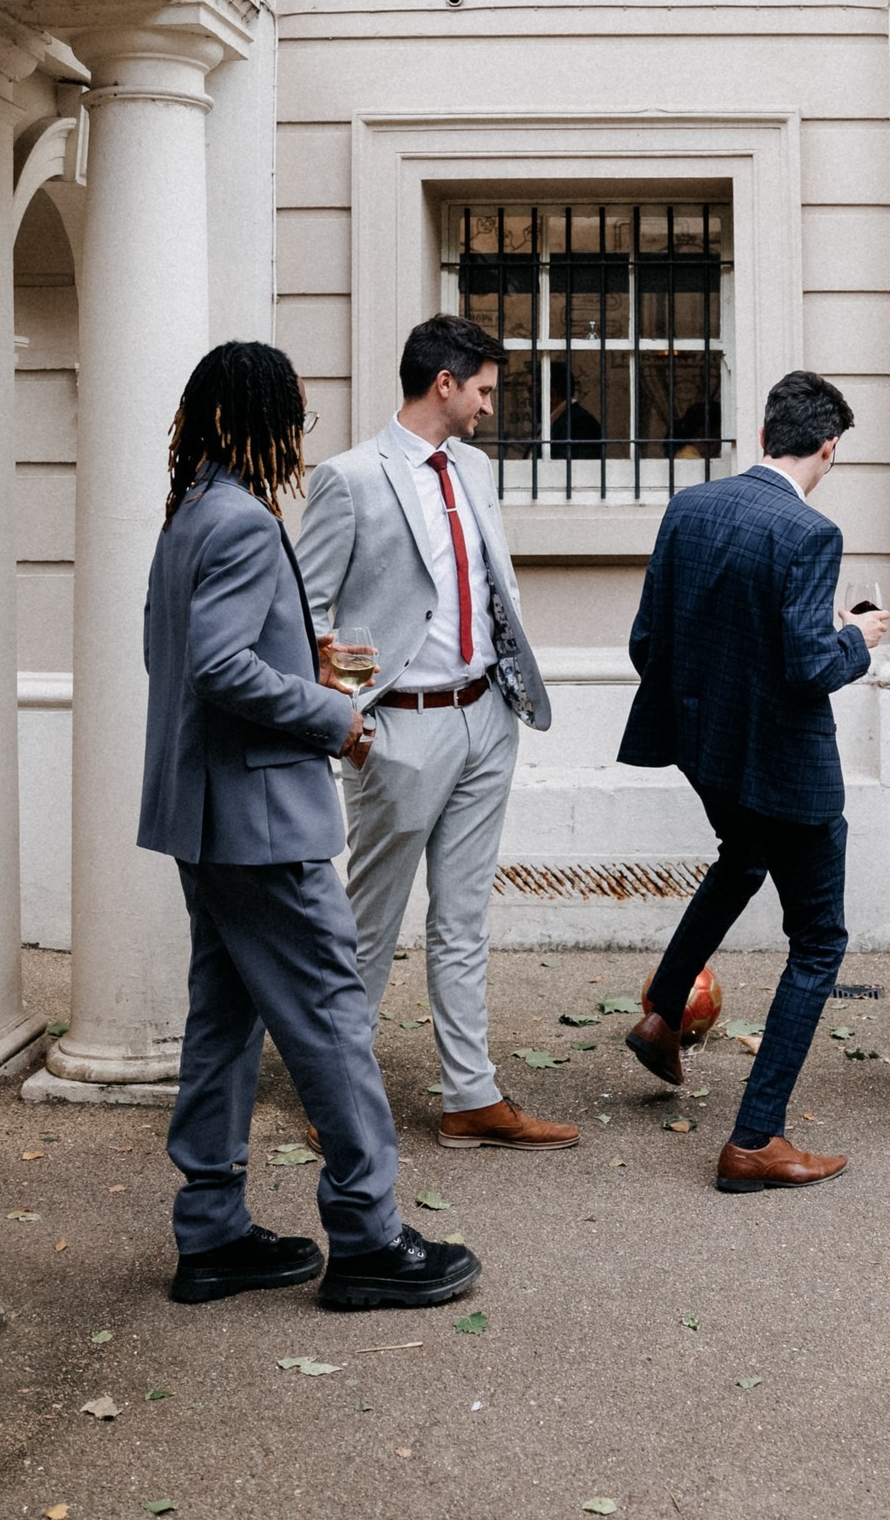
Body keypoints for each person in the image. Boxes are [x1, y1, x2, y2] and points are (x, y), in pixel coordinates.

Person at [139, 339, 482, 1311]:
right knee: (331, 1017)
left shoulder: (190, 516)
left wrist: (302, 650)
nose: (298, 434)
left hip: (202, 818)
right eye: (292, 413)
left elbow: (186, 655)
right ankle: (369, 1239)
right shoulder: (243, 523)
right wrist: (334, 711)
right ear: (256, 417)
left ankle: (210, 1234)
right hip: (261, 823)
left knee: (224, 1024)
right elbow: (217, 668)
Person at [295, 314, 575, 1152]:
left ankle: (470, 1096)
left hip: (489, 715)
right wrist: (343, 700)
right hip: (400, 729)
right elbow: (304, 614)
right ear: (444, 384)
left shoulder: (478, 469)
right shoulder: (348, 478)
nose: (490, 406)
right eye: (483, 389)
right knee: (369, 924)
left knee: (462, 918)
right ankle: (335, 1093)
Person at [618, 370, 889, 1192]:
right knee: (820, 941)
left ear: (768, 431)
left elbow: (645, 642)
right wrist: (860, 637)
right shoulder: (812, 534)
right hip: (786, 771)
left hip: (707, 754)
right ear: (829, 447)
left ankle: (664, 1014)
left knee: (740, 861)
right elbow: (809, 664)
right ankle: (755, 1138)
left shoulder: (688, 508)